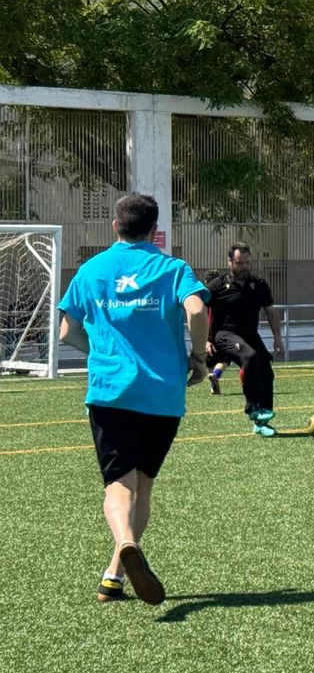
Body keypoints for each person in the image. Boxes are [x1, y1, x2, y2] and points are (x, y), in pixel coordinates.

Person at [57, 193, 209, 606]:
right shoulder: (172, 268)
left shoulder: (91, 270)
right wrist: (197, 357)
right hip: (162, 393)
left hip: (111, 392)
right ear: (154, 230)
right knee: (143, 485)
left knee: (118, 485)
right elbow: (197, 312)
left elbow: (67, 332)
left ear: (115, 225)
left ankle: (125, 543)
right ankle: (113, 577)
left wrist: (104, 353)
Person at [205, 243, 284, 436]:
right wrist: (205, 340)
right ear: (230, 262)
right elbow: (199, 311)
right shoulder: (217, 285)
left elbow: (271, 312)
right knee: (250, 357)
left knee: (266, 370)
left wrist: (277, 338)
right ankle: (253, 407)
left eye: (248, 263)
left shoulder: (259, 285)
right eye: (240, 263)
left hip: (250, 335)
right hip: (224, 334)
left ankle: (262, 423)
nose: (244, 267)